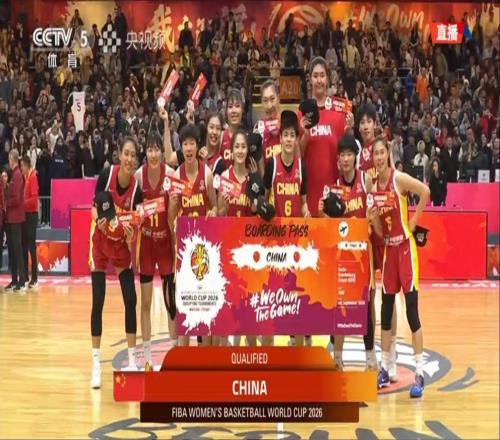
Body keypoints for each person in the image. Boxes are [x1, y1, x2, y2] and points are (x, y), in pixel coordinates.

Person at [372, 137, 430, 398]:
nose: (379, 157)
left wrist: (413, 223)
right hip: (389, 251)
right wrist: (373, 218)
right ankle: (385, 368)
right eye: (375, 154)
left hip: (405, 250)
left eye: (382, 152)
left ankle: (419, 372)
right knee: (386, 312)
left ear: (388, 154)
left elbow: (425, 192)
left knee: (412, 313)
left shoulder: (398, 179)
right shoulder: (375, 187)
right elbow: (379, 230)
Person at [319, 135, 380, 371]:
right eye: (342, 155)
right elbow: (328, 227)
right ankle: (337, 358)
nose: (345, 159)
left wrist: (370, 219)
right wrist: (322, 214)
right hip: (342, 257)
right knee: (340, 307)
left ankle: (370, 360)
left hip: (363, 255)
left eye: (349, 154)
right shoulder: (333, 188)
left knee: (365, 307)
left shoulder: (366, 181)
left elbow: (375, 217)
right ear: (338, 160)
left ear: (355, 157)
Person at [89, 137, 142, 389]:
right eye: (126, 154)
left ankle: (132, 361)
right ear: (119, 155)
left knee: (130, 299)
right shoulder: (106, 175)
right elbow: (93, 207)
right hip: (100, 243)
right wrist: (97, 219)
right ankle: (96, 364)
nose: (129, 159)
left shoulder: (136, 189)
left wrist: (131, 235)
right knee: (98, 300)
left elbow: (135, 224)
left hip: (120, 246)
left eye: (133, 155)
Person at [356, 103, 398, 381]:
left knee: (389, 294)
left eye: (369, 121)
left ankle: (391, 355)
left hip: (388, 230)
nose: (365, 125)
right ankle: (371, 356)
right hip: (368, 232)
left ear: (375, 124)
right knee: (369, 296)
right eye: (361, 122)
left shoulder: (383, 152)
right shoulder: (358, 155)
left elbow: (394, 183)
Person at [167, 124, 217, 347]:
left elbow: (214, 207)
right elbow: (171, 220)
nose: (188, 148)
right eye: (185, 144)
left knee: (205, 309)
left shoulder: (207, 174)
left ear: (198, 147)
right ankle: (184, 357)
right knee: (185, 308)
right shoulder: (176, 176)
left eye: (192, 144)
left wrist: (213, 213)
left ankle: (205, 358)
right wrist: (172, 204)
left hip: (204, 251)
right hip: (184, 250)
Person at [264, 110, 310, 346]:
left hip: (297, 241)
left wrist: (307, 213)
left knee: (295, 291)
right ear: (280, 139)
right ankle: (271, 338)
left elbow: (303, 202)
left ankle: (296, 338)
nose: (289, 139)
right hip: (275, 240)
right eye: (286, 136)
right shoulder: (272, 165)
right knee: (274, 291)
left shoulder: (302, 167)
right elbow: (264, 199)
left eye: (293, 135)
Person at [217, 129, 262, 347]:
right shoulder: (225, 178)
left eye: (244, 146)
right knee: (230, 310)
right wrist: (222, 208)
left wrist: (255, 206)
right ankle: (230, 354)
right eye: (237, 146)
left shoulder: (254, 178)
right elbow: (219, 214)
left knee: (249, 312)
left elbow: (257, 215)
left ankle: (250, 356)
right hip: (229, 250)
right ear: (231, 150)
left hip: (249, 252)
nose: (241, 150)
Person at [135, 133, 175, 369]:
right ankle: (148, 357)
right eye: (149, 149)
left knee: (171, 303)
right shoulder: (139, 176)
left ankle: (174, 355)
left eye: (156, 149)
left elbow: (176, 209)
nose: (153, 154)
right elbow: (133, 211)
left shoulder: (170, 175)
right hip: (148, 246)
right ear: (145, 152)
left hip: (166, 244)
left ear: (161, 152)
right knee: (146, 303)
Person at [298, 56, 352, 217]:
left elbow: (347, 154)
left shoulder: (340, 112)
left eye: (322, 75)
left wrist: (349, 131)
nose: (319, 80)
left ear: (328, 78)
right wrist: (305, 134)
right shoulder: (301, 114)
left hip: (334, 197)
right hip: (309, 196)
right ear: (310, 80)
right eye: (315, 76)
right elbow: (298, 156)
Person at [5, 149, 27, 292]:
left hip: (16, 217)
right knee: (13, 250)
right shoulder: (14, 174)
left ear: (11, 159)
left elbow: (17, 199)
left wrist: (6, 203)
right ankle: (14, 280)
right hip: (12, 218)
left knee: (18, 249)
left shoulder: (17, 175)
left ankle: (22, 280)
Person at [21, 156, 39, 289]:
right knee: (25, 244)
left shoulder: (33, 177)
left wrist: (23, 203)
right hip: (26, 214)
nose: (21, 168)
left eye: (22, 166)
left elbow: (34, 199)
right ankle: (26, 276)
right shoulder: (26, 177)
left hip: (32, 214)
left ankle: (34, 277)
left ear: (27, 165)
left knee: (31, 246)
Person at [255, 79, 282, 162]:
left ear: (278, 98)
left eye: (272, 99)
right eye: (265, 100)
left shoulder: (287, 121)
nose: (269, 106)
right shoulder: (258, 127)